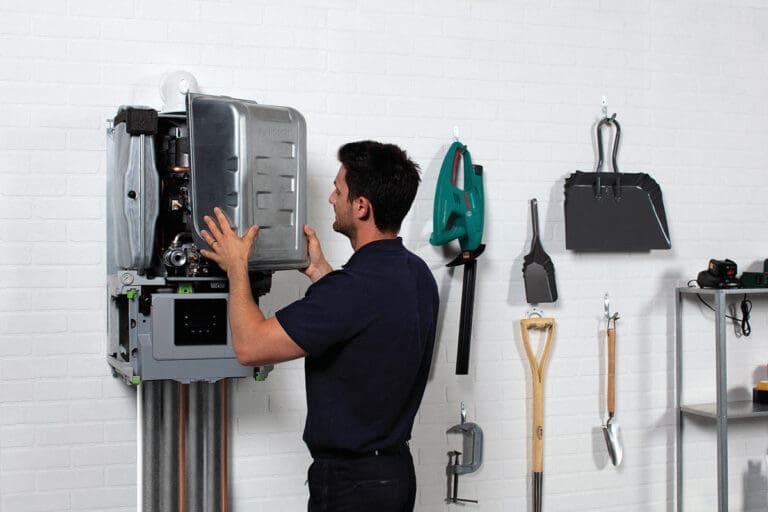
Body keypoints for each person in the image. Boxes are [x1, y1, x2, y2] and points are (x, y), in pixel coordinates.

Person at [200, 140, 439, 512]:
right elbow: (366, 320)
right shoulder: (416, 274)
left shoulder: (351, 290)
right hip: (394, 476)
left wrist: (236, 267)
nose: (331, 198)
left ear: (362, 206)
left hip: (351, 487)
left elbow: (250, 347)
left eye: (338, 190)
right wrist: (319, 272)